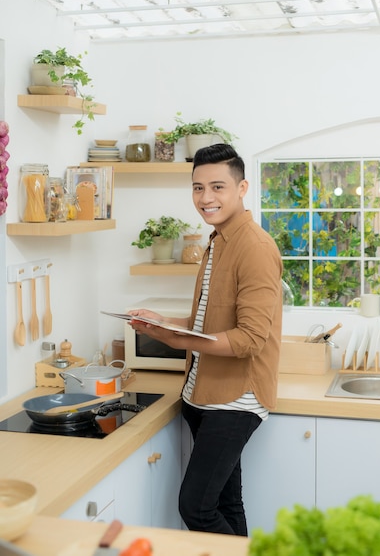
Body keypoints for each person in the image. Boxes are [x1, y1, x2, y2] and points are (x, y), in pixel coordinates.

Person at [129, 143, 282, 536]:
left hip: (236, 398)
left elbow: (249, 339)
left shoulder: (256, 247)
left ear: (242, 188)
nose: (206, 198)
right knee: (226, 502)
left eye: (217, 187)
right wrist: (164, 322)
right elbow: (208, 320)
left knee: (195, 506)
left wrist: (179, 341)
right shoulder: (216, 241)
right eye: (198, 188)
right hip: (202, 392)